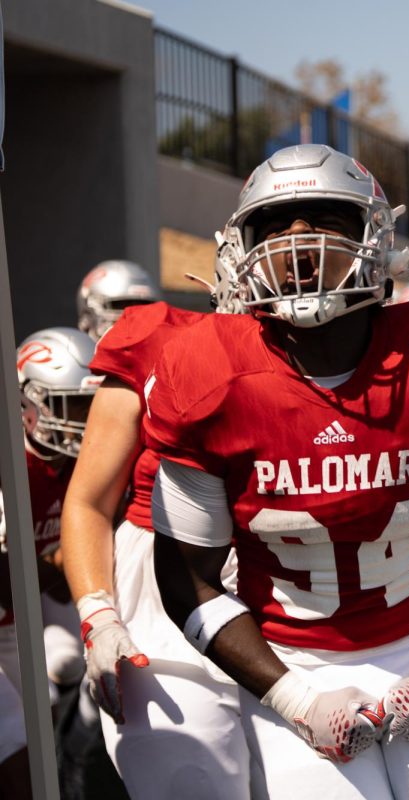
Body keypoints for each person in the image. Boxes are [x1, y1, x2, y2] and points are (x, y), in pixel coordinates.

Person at [144, 143, 409, 799]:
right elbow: (188, 582)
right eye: (276, 227)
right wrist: (294, 700)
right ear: (242, 248)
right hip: (292, 657)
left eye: (325, 220)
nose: (300, 244)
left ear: (375, 238)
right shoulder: (205, 373)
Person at [61, 276, 255, 796]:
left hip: (310, 597)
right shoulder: (160, 340)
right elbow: (89, 501)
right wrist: (98, 617)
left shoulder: (369, 354)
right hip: (169, 592)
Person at [0, 327, 99, 800]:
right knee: (18, 742)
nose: (82, 421)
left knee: (77, 666)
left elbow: (59, 590)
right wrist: (64, 556)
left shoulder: (71, 463)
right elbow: (9, 584)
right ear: (27, 406)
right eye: (69, 406)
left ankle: (67, 764)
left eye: (88, 406)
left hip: (14, 618)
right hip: (7, 606)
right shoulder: (11, 467)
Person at [76, 260, 163, 341]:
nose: (135, 316)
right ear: (90, 308)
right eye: (122, 305)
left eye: (144, 307)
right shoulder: (75, 354)